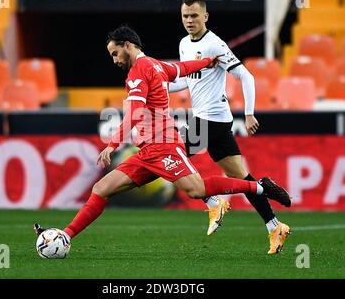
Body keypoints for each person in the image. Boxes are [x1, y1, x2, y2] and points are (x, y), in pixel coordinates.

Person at [34, 26, 290, 243]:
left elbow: (134, 112)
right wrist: (205, 62)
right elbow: (182, 69)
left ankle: (260, 187)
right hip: (146, 152)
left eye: (115, 53)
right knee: (101, 188)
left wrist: (112, 145)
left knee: (196, 189)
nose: (114, 60)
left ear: (127, 45)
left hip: (165, 146)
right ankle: (65, 236)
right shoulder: (155, 65)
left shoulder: (139, 71)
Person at [168, 0, 290, 254]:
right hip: (211, 119)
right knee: (240, 176)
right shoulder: (183, 43)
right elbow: (187, 81)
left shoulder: (215, 45)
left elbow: (247, 76)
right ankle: (274, 225)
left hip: (209, 118)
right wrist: (159, 83)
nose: (189, 20)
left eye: (194, 16)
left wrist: (248, 114)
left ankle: (214, 201)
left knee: (171, 159)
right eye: (185, 16)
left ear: (205, 17)